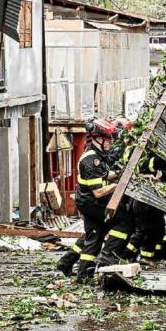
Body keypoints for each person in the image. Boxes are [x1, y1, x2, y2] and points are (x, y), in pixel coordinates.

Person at [56, 118, 119, 282]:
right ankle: (83, 275)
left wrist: (119, 173)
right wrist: (118, 185)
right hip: (91, 203)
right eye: (108, 139)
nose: (110, 142)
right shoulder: (91, 160)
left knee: (92, 233)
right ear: (98, 138)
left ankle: (66, 262)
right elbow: (98, 192)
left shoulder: (98, 155)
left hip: (89, 202)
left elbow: (104, 175)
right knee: (96, 236)